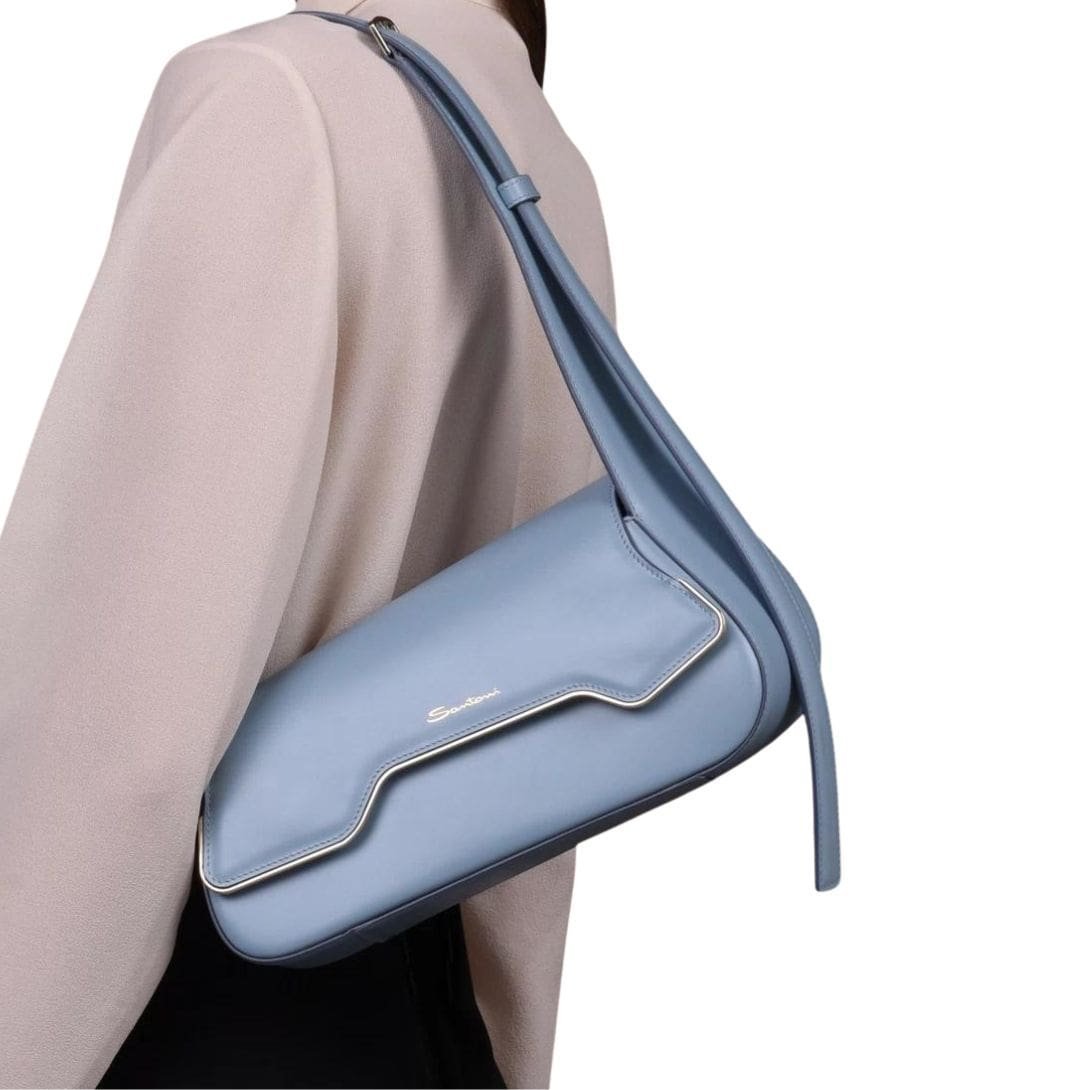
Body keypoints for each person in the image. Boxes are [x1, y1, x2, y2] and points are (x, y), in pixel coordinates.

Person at [0, 1, 615, 1086]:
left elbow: (121, 735)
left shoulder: (270, 100)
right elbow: (548, 717)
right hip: (423, 1001)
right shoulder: (541, 148)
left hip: (191, 998)